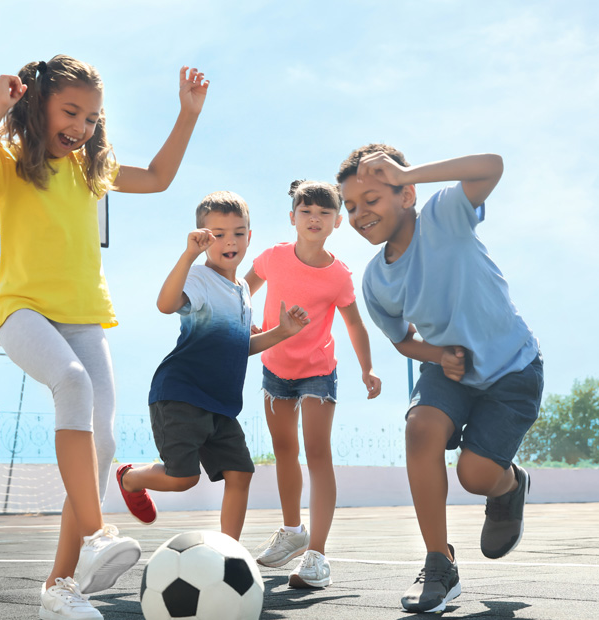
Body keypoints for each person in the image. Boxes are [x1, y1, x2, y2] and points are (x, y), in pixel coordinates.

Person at [0, 55, 210, 620]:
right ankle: (95, 533)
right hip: (23, 313)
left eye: (92, 117)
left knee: (105, 445)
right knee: (71, 383)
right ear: (36, 106)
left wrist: (186, 115)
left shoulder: (92, 171)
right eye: (71, 111)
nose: (82, 126)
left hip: (84, 317)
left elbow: (160, 178)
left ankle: (59, 588)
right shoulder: (11, 161)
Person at [337, 145, 543, 613]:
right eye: (350, 206)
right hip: (450, 371)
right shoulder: (375, 281)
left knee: (475, 475)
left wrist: (411, 171)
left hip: (513, 367)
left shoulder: (443, 215)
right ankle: (439, 562)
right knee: (420, 428)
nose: (359, 213)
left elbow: (493, 165)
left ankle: (509, 487)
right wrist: (440, 355)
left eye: (371, 199)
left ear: (406, 194)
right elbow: (403, 340)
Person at [116, 191, 309, 541]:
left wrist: (282, 332)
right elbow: (165, 304)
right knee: (183, 479)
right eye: (218, 234)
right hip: (181, 394)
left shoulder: (242, 292)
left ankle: (228, 552)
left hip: (221, 405)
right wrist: (189, 255)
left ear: (249, 236)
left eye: (238, 232)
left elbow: (238, 347)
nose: (230, 241)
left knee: (240, 473)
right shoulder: (199, 279)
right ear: (203, 238)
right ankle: (130, 478)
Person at [244, 180, 381, 588]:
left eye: (324, 213)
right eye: (306, 211)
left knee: (317, 454)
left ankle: (316, 555)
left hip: (318, 371)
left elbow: (354, 323)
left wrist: (367, 368)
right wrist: (241, 322)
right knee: (284, 450)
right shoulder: (272, 258)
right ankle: (293, 531)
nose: (314, 218)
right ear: (292, 218)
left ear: (337, 222)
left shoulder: (338, 276)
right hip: (275, 369)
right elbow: (242, 291)